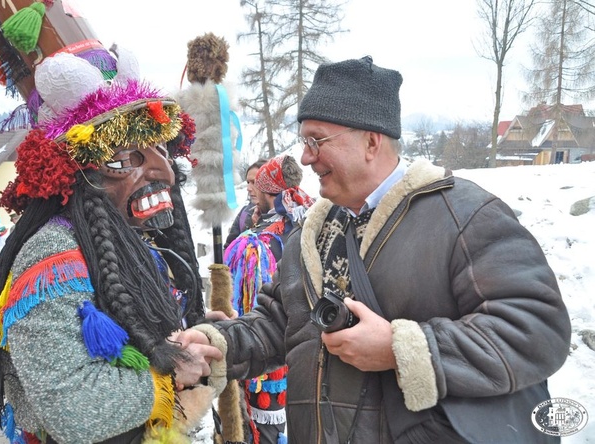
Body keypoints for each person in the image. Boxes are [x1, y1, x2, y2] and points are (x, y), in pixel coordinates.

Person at [180, 56, 572, 443]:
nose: (304, 157)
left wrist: (401, 349)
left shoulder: (464, 215)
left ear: (371, 141)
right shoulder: (310, 235)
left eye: (317, 140)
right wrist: (218, 344)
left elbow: (536, 328)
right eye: (304, 141)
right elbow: (280, 323)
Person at [0, 50, 221, 444]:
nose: (163, 172)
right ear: (77, 174)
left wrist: (181, 335)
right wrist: (172, 372)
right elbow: (73, 409)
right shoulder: (51, 258)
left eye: (161, 149)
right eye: (127, 158)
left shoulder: (125, 238)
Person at [224, 154, 314, 444]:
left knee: (259, 429)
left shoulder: (256, 244)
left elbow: (245, 304)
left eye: (256, 185)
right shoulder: (311, 220)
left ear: (267, 189)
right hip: (305, 347)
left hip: (261, 347)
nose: (251, 191)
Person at [224, 159, 268, 249]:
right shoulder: (244, 214)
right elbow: (229, 250)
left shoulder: (289, 217)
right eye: (248, 182)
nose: (248, 188)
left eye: (254, 182)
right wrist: (250, 228)